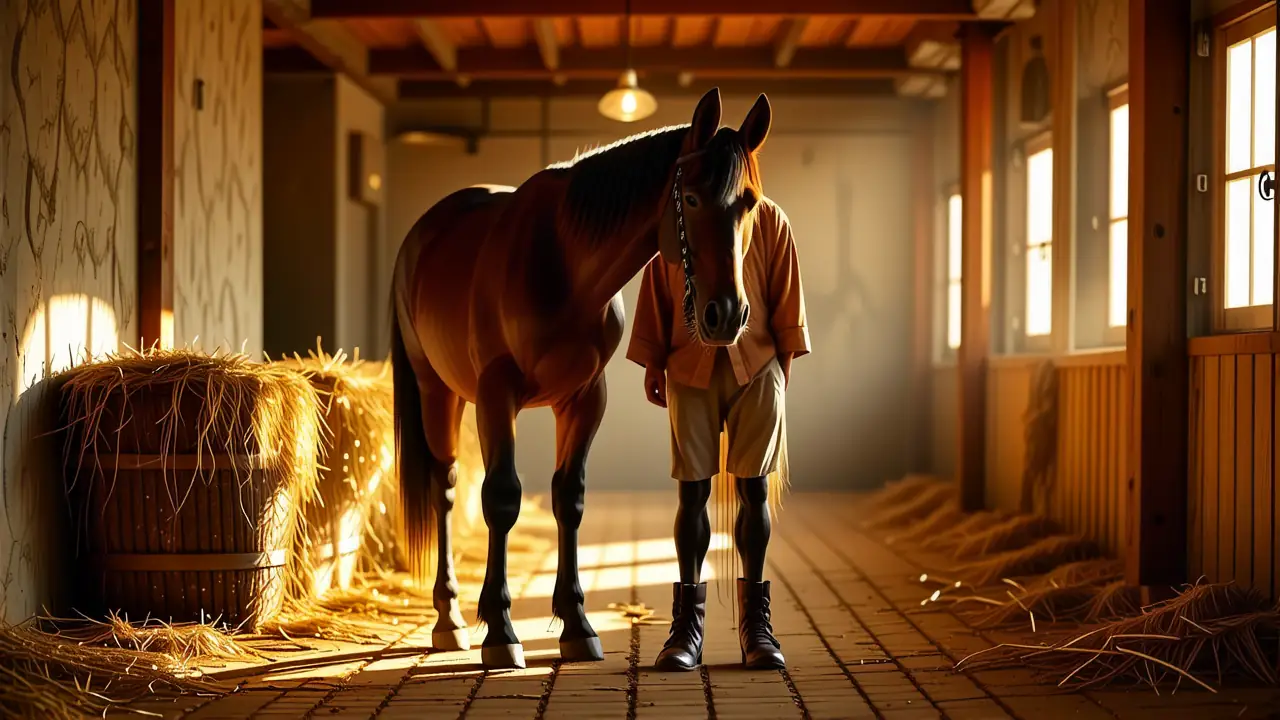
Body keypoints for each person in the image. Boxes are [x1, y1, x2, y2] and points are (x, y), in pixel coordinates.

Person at [627, 196, 809, 671]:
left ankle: (756, 626)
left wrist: (778, 373)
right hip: (688, 365)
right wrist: (652, 358)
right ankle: (687, 627)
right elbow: (656, 281)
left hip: (758, 367)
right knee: (692, 494)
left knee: (754, 492)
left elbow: (786, 301)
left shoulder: (770, 220)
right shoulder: (679, 219)